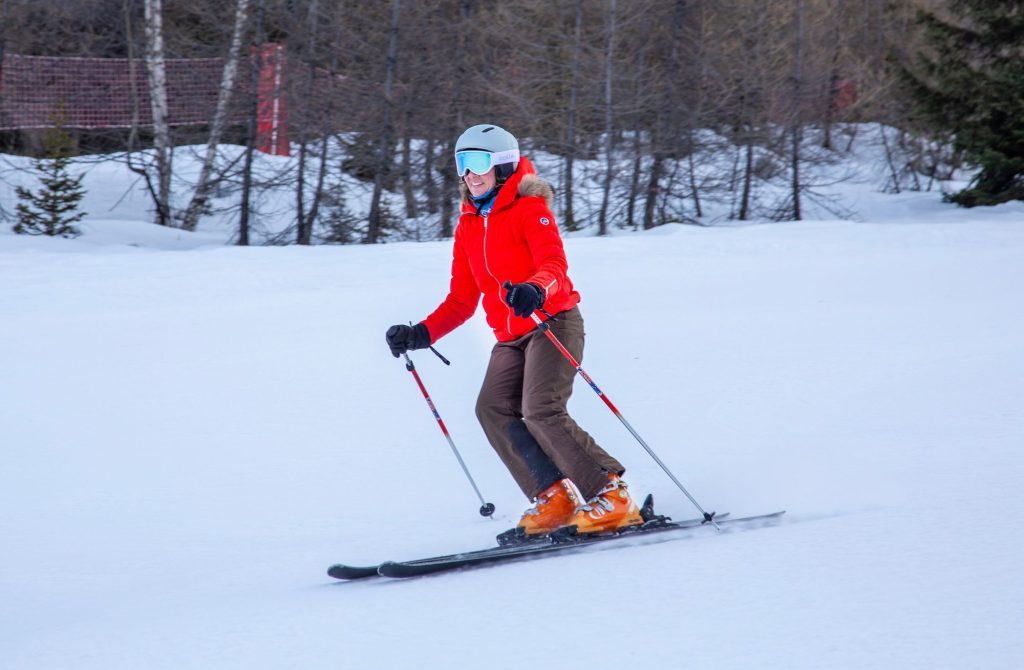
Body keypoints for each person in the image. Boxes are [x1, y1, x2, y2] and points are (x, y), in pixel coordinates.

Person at [385, 123, 642, 537]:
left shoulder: (530, 208)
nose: (469, 174)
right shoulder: (468, 225)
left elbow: (555, 268)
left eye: (478, 162)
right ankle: (554, 498)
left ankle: (611, 494)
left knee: (540, 409)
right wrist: (421, 334)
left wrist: (535, 290)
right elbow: (461, 300)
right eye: (461, 164)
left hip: (552, 322)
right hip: (510, 336)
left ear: (502, 164)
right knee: (492, 409)